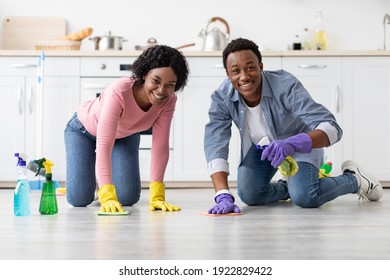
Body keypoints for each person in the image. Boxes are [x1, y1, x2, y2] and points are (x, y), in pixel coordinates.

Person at [204, 38, 383, 214]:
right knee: (250, 195)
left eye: (250, 67)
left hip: (300, 142)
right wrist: (222, 194)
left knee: (307, 197)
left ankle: (354, 179)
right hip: (263, 148)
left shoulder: (284, 85)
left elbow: (332, 128)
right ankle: (291, 185)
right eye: (236, 71)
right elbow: (216, 142)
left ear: (261, 66)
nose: (244, 76)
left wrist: (294, 143)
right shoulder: (222, 97)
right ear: (228, 74)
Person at [64, 45, 189, 213]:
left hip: (124, 136)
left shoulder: (169, 101)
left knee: (127, 198)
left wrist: (157, 195)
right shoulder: (120, 91)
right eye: (156, 81)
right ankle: (93, 179)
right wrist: (107, 195)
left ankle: (98, 177)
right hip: (83, 131)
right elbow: (104, 145)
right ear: (145, 74)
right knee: (79, 199)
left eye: (170, 85)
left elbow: (160, 146)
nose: (161, 90)